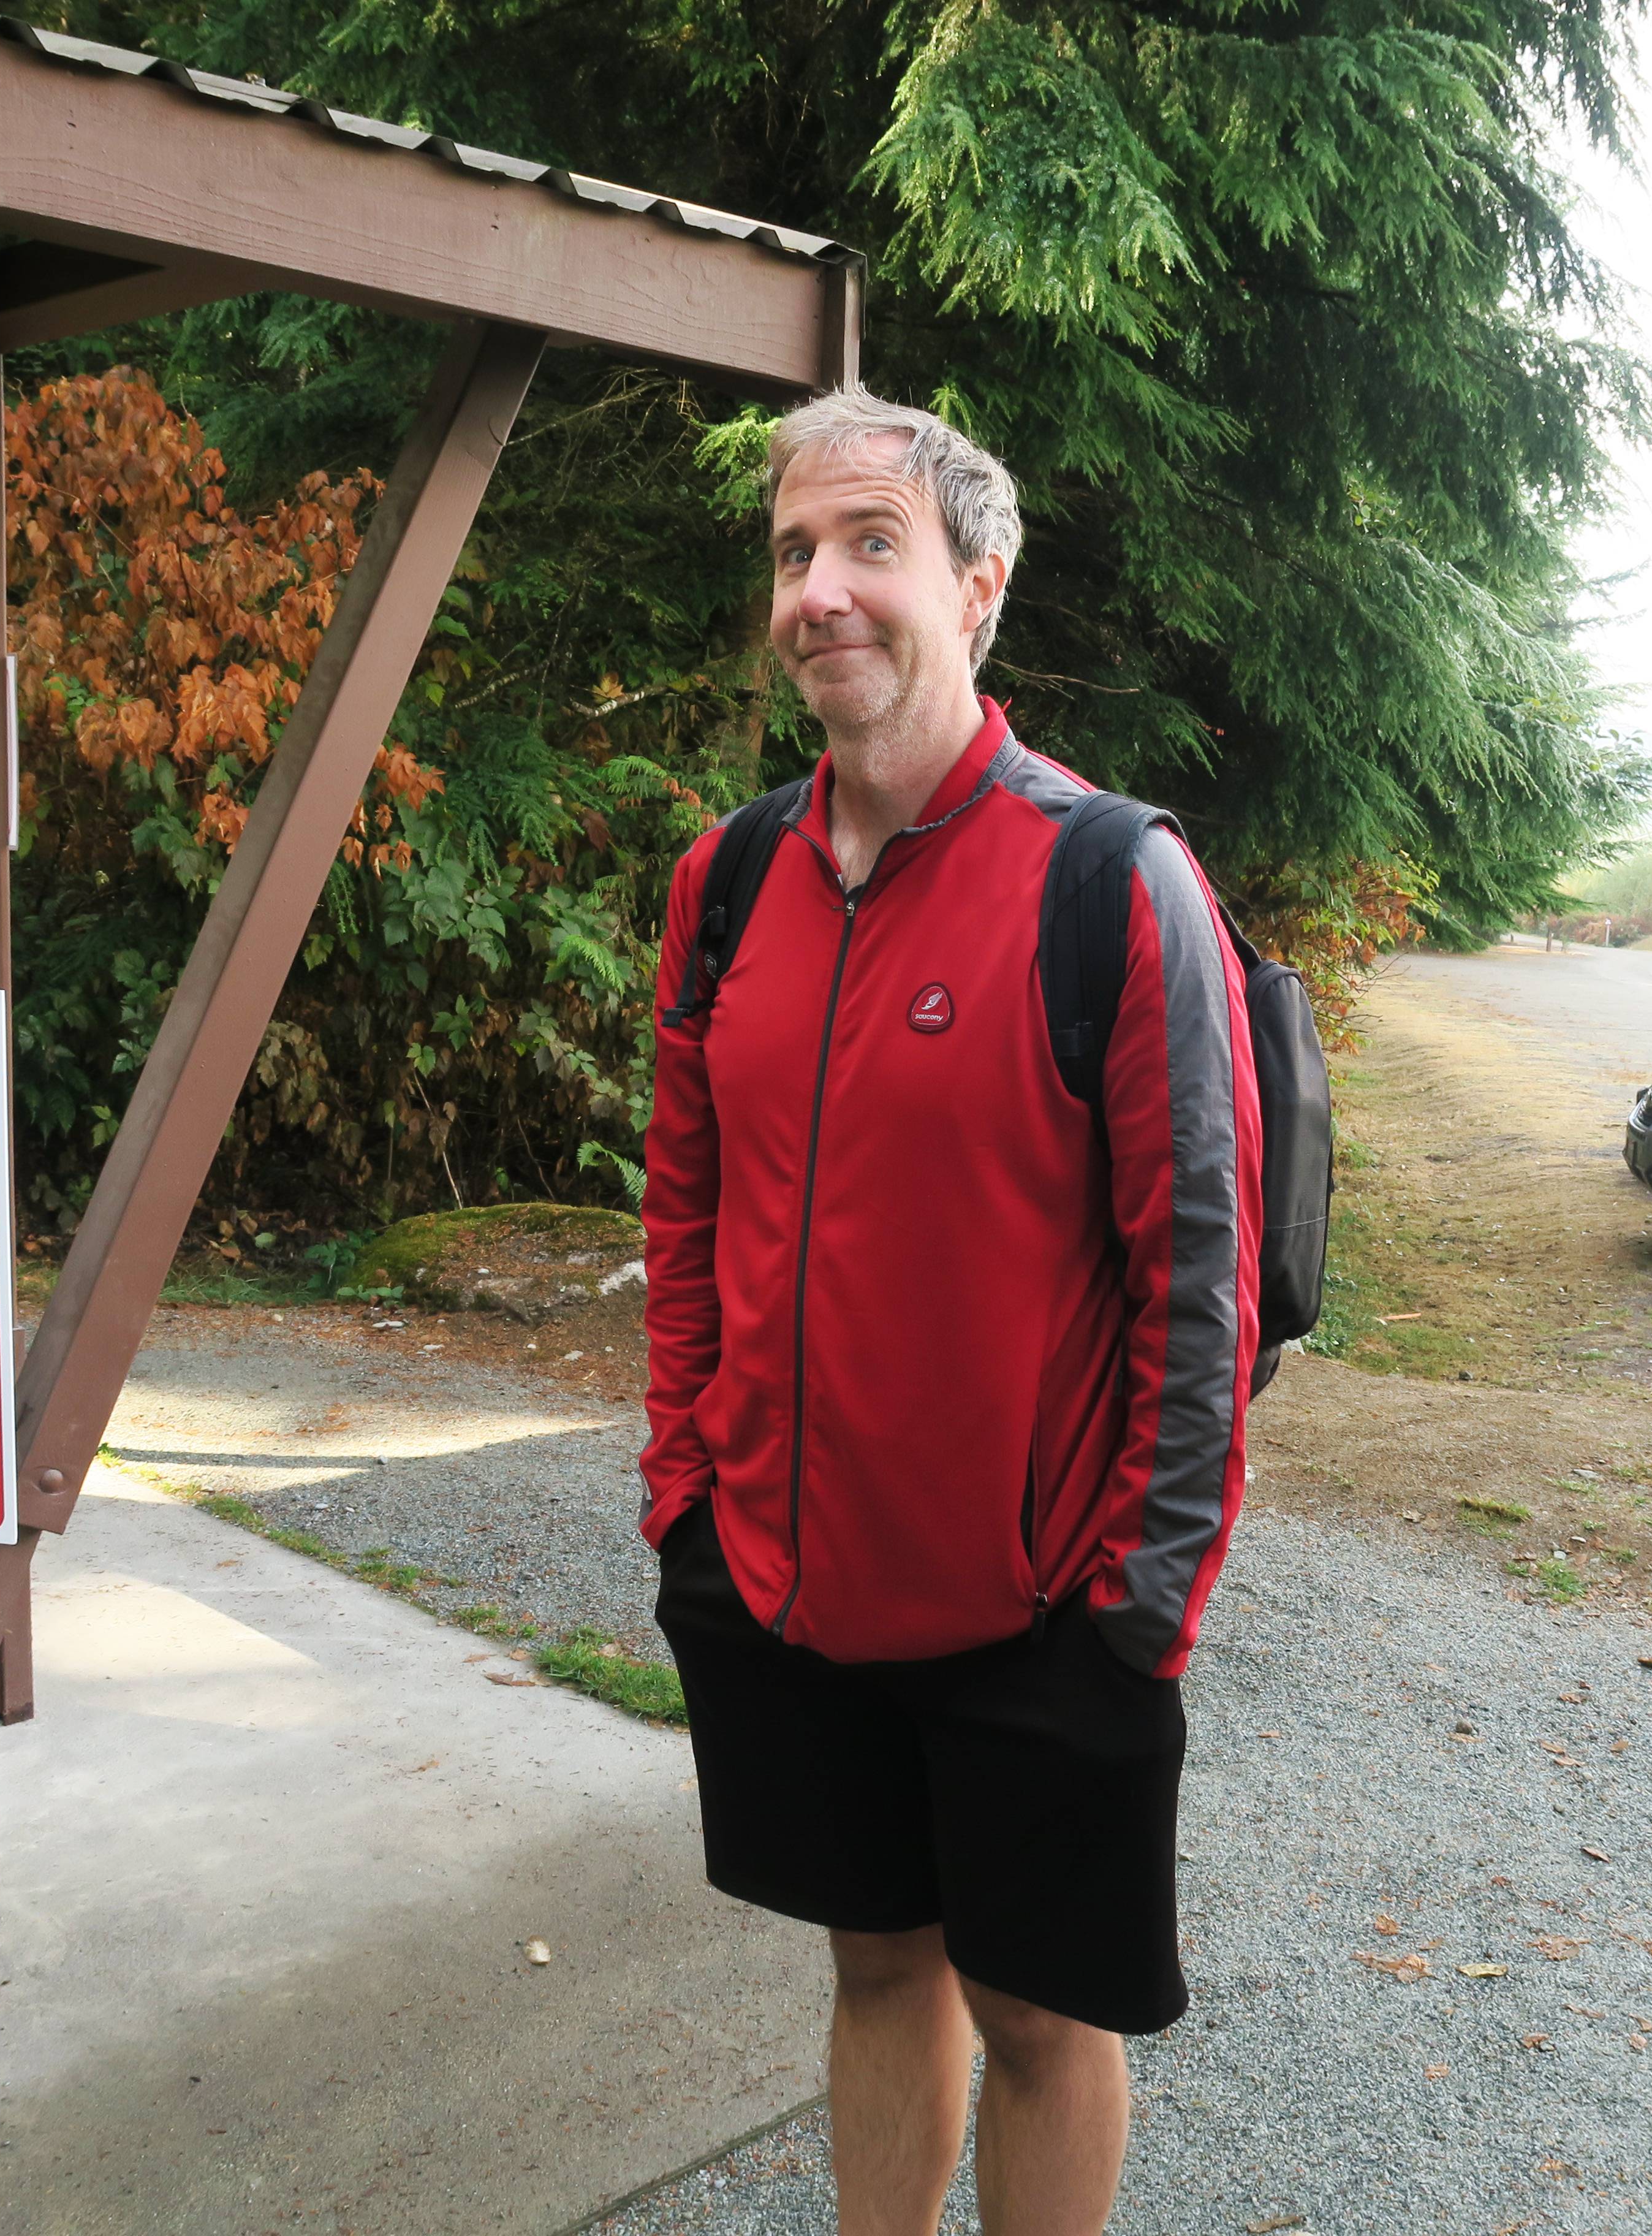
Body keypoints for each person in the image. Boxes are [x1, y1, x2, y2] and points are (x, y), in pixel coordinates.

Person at [636, 389, 1265, 2235]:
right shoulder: (728, 879)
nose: (818, 591)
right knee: (874, 1969)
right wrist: (687, 1486)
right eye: (791, 553)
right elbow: (688, 1204)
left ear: (978, 587)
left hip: (1038, 1608)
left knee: (1041, 2015)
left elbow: (1200, 1289)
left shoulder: (1109, 881)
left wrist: (1138, 1612)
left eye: (869, 547)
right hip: (784, 1578)